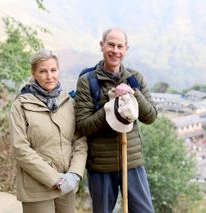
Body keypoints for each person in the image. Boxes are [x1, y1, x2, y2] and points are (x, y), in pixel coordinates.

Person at [75, 28, 157, 213]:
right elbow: (83, 125)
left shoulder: (135, 79)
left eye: (120, 46)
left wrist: (133, 94)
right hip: (101, 166)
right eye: (111, 44)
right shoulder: (88, 81)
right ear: (102, 45)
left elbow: (151, 116)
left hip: (132, 161)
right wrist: (111, 107)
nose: (115, 50)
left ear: (126, 49)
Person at [9, 49, 87, 213]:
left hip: (67, 186)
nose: (49, 76)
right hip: (36, 188)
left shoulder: (68, 102)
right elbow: (20, 148)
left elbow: (80, 141)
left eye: (53, 70)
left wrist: (74, 174)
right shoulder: (21, 105)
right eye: (43, 71)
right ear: (33, 73)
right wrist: (54, 179)